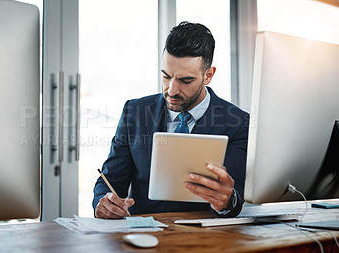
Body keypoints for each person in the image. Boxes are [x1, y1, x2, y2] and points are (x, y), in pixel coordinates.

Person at [93, 21, 249, 219]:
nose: (172, 90)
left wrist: (226, 201)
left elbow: (236, 196)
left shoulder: (238, 122)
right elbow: (110, 181)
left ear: (208, 75)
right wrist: (103, 201)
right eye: (166, 77)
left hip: (204, 238)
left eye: (185, 80)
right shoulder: (134, 112)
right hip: (143, 235)